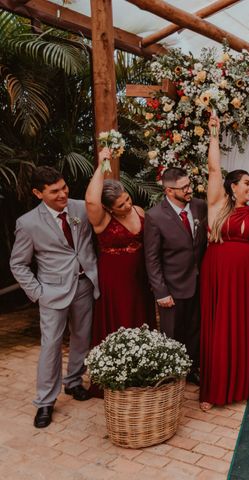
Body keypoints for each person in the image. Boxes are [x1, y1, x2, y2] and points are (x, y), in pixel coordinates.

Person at [10, 166, 99, 428]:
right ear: (38, 193)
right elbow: (18, 264)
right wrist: (38, 293)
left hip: (84, 285)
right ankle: (45, 402)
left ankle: (73, 382)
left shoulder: (82, 208)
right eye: (54, 191)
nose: (63, 194)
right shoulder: (27, 223)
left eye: (64, 187)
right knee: (51, 346)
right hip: (51, 292)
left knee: (82, 339)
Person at [199, 117, 249, 409]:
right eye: (247, 184)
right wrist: (214, 133)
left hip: (247, 277)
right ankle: (215, 389)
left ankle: (244, 384)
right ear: (233, 187)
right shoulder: (217, 205)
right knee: (220, 327)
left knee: (243, 327)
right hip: (219, 273)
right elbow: (214, 168)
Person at [85, 149, 155, 396]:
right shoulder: (102, 219)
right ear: (109, 208)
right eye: (120, 204)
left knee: (141, 318)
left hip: (140, 277)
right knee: (121, 319)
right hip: (116, 279)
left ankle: (142, 372)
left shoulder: (139, 210)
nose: (126, 204)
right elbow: (92, 201)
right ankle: (117, 376)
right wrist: (102, 161)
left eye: (126, 198)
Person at [144, 166, 208, 386]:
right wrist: (161, 292)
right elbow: (152, 259)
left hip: (199, 282)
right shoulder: (154, 216)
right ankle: (170, 376)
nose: (189, 190)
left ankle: (191, 369)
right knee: (171, 333)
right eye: (184, 188)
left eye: (189, 184)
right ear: (169, 191)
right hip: (172, 286)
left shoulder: (199, 207)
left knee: (195, 329)